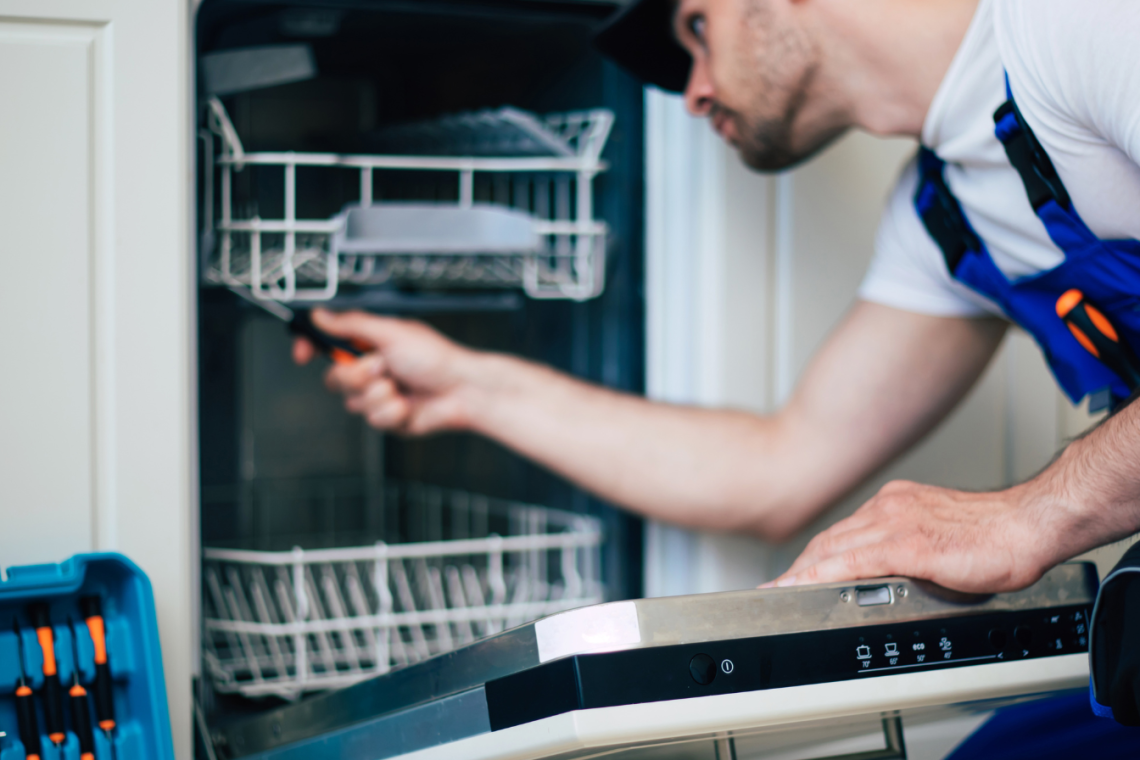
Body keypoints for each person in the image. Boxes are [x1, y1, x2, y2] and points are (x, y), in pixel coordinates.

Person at [294, 0, 1140, 599]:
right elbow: (776, 468)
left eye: (697, 27)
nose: (693, 92)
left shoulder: (1072, 23)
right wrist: (467, 384)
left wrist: (1030, 516)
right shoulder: (944, 221)